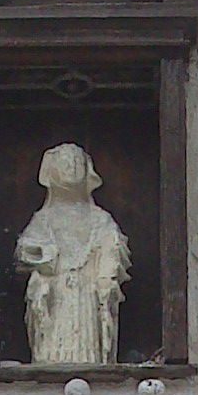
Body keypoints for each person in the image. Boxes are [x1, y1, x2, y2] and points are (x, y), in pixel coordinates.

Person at [15, 143, 130, 365]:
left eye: (77, 162)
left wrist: (105, 276)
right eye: (66, 162)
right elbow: (25, 249)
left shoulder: (100, 218)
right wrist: (43, 254)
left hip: (88, 293)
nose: (72, 167)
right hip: (55, 293)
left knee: (87, 343)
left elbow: (113, 248)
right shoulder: (44, 218)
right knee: (54, 345)